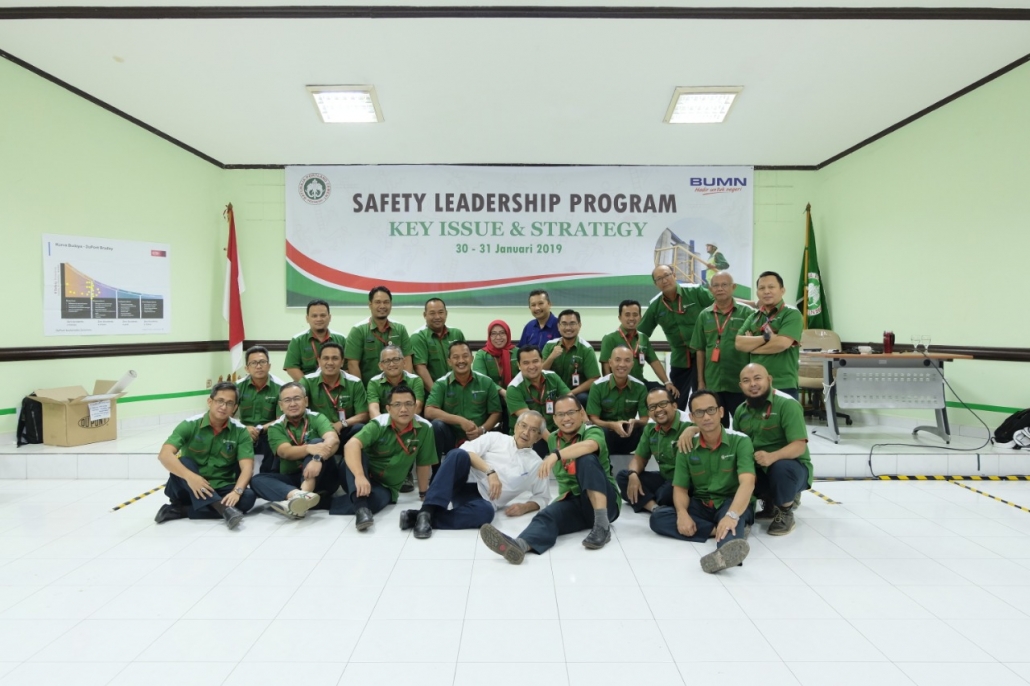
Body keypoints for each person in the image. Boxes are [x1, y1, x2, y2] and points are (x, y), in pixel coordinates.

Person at [479, 395, 620, 563]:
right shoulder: (553, 438)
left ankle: (602, 526)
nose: (566, 418)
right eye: (560, 414)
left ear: (581, 413)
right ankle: (518, 546)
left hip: (606, 503)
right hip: (574, 501)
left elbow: (589, 445)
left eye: (571, 412)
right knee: (547, 515)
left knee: (586, 459)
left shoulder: (593, 431)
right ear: (554, 418)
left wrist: (556, 455)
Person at [650, 390, 756, 574]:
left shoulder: (740, 441)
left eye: (711, 410)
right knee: (658, 518)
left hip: (731, 502)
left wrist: (731, 515)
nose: (706, 417)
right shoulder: (687, 444)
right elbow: (680, 488)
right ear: (692, 417)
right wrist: (682, 514)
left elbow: (747, 483)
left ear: (721, 412)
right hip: (701, 504)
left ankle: (723, 552)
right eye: (699, 412)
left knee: (732, 519)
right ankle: (723, 530)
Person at [399, 411, 552, 538]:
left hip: (484, 500)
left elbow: (543, 496)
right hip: (464, 481)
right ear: (516, 426)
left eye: (533, 430)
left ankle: (419, 517)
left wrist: (525, 507)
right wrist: (490, 472)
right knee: (457, 455)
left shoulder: (537, 465)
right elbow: (466, 450)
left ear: (538, 437)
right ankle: (427, 510)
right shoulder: (495, 438)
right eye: (523, 426)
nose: (526, 432)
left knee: (486, 514)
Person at [330, 385, 437, 530]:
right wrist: (360, 476)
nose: (403, 409)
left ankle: (323, 502)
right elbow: (351, 445)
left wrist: (423, 493)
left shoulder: (425, 428)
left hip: (386, 486)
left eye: (408, 404)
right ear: (388, 408)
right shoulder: (379, 423)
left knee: (376, 503)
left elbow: (423, 463)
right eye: (397, 404)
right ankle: (361, 509)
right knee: (358, 452)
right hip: (355, 475)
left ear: (415, 406)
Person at [154, 382, 256, 529]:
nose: (223, 407)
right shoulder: (190, 424)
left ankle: (181, 511)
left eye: (229, 403)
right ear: (210, 401)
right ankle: (222, 509)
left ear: (235, 408)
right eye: (220, 401)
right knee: (184, 461)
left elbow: (247, 467)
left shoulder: (240, 431)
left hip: (220, 486)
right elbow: (164, 455)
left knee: (248, 498)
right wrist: (191, 477)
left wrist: (237, 491)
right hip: (188, 487)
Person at [733, 363, 812, 535]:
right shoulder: (740, 411)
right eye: (746, 380)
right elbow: (737, 445)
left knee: (781, 467)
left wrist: (772, 457)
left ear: (769, 379)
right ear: (741, 386)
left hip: (792, 467)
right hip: (759, 466)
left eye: (757, 378)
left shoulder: (787, 404)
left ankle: (785, 511)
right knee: (734, 467)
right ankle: (768, 503)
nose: (753, 384)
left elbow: (799, 446)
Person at [250, 382, 340, 519]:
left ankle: (299, 499)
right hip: (293, 478)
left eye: (297, 398)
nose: (292, 404)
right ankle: (299, 496)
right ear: (281, 405)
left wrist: (317, 458)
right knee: (257, 480)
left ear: (306, 401)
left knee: (316, 442)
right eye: (287, 400)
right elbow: (285, 452)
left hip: (323, 477)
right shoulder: (275, 427)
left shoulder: (317, 418)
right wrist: (308, 448)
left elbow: (333, 439)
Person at [639, 263, 715, 410]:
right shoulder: (655, 306)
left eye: (667, 275)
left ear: (674, 275)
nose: (664, 280)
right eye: (659, 279)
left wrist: (752, 304)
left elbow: (721, 305)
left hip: (704, 354)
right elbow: (641, 333)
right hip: (680, 358)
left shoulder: (695, 291)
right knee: (675, 400)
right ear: (655, 284)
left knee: (704, 398)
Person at [691, 271, 755, 425]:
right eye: (716, 285)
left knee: (745, 424)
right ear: (710, 289)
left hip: (740, 382)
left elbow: (757, 346)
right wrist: (701, 382)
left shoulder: (748, 313)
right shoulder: (704, 315)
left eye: (724, 285)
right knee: (717, 426)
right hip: (713, 383)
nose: (720, 289)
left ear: (733, 287)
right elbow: (700, 349)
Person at [425, 341, 502, 465]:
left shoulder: (486, 382)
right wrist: (461, 421)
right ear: (449, 361)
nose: (461, 361)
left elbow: (496, 413)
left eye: (465, 356)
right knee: (436, 425)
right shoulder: (441, 384)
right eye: (456, 357)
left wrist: (481, 430)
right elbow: (429, 411)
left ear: (472, 358)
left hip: (480, 437)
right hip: (452, 438)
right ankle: (437, 470)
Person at [616, 387, 691, 514]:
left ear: (674, 405)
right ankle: (654, 507)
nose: (658, 410)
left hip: (684, 481)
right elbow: (639, 458)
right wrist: (633, 474)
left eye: (663, 404)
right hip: (664, 477)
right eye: (652, 407)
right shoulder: (650, 426)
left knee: (665, 494)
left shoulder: (689, 425)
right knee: (624, 477)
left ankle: (644, 499)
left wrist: (694, 430)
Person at [735, 271, 804, 399]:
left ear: (782, 290)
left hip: (783, 383)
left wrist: (752, 348)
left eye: (771, 287)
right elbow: (739, 343)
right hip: (756, 386)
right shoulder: (753, 317)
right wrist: (766, 338)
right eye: (762, 288)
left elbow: (781, 344)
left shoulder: (791, 314)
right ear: (757, 293)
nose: (766, 291)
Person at [599, 299, 678, 395]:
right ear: (620, 318)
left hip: (639, 383)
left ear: (640, 317)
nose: (631, 318)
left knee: (668, 393)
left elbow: (654, 362)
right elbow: (606, 365)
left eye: (635, 315)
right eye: (627, 315)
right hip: (619, 384)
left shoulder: (643, 338)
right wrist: (610, 387)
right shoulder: (610, 338)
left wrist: (667, 382)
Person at [300, 342, 369, 447]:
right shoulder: (307, 381)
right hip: (319, 432)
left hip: (345, 430)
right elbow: (298, 409)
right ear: (319, 361)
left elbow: (363, 415)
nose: (330, 362)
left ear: (342, 362)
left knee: (360, 429)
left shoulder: (355, 383)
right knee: (314, 441)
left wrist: (342, 424)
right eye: (326, 358)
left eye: (335, 358)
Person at [506, 345, 571, 455]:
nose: (532, 366)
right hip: (530, 434)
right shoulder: (514, 388)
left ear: (542, 361)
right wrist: (556, 445)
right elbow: (533, 423)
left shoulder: (552, 377)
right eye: (526, 363)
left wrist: (586, 426)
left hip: (554, 429)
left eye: (535, 361)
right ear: (519, 365)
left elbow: (571, 401)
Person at [586, 345, 649, 456]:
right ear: (610, 363)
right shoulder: (597, 386)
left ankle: (642, 462)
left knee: (647, 428)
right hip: (606, 435)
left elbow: (645, 419)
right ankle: (604, 462)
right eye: (618, 360)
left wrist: (635, 422)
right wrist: (612, 425)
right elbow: (593, 419)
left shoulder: (640, 387)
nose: (622, 364)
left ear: (632, 364)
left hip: (629, 434)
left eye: (627, 360)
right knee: (599, 431)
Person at [345, 286, 413, 385]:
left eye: (386, 302)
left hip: (398, 389)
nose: (382, 306)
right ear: (370, 305)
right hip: (368, 389)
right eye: (378, 302)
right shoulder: (358, 331)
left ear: (391, 304)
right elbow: (352, 365)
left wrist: (405, 388)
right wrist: (361, 391)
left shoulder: (400, 329)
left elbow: (407, 361)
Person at [235, 345, 285, 474]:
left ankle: (266, 477)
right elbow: (226, 416)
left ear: (269, 366)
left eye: (262, 362)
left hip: (269, 430)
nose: (258, 366)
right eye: (254, 363)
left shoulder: (281, 387)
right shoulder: (237, 387)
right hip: (243, 430)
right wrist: (243, 428)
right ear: (247, 368)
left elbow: (281, 419)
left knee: (276, 438)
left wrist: (260, 429)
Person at [541, 309, 601, 408]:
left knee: (583, 398)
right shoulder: (549, 345)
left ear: (579, 325)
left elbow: (594, 379)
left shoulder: (586, 349)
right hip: (552, 391)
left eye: (572, 323)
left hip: (576, 392)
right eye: (564, 324)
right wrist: (551, 357)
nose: (568, 328)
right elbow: (540, 373)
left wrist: (570, 393)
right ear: (558, 326)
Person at [283, 299, 347, 381]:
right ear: (307, 318)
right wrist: (308, 385)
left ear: (329, 317)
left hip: (335, 384)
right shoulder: (297, 340)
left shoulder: (341, 339)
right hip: (306, 385)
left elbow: (346, 367)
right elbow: (292, 368)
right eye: (314, 316)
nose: (319, 319)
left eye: (323, 315)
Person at [411, 297, 466, 393]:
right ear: (425, 315)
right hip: (431, 393)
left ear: (446, 313)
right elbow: (420, 368)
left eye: (440, 312)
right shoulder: (418, 337)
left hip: (458, 390)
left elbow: (465, 361)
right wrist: (437, 394)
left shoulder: (456, 333)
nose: (437, 317)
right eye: (432, 313)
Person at [472, 320, 518, 432]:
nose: (498, 337)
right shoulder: (482, 354)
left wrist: (511, 393)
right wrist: (502, 391)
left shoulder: (517, 352)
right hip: (489, 398)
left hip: (513, 397)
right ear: (489, 336)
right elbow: (481, 378)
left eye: (502, 333)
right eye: (494, 334)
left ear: (508, 334)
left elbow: (523, 376)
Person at [367, 345, 425, 418]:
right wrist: (387, 423)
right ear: (381, 366)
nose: (392, 364)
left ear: (404, 362)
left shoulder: (415, 380)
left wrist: (401, 421)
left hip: (410, 420)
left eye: (396, 359)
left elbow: (417, 407)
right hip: (384, 422)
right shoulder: (374, 383)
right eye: (387, 361)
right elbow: (373, 410)